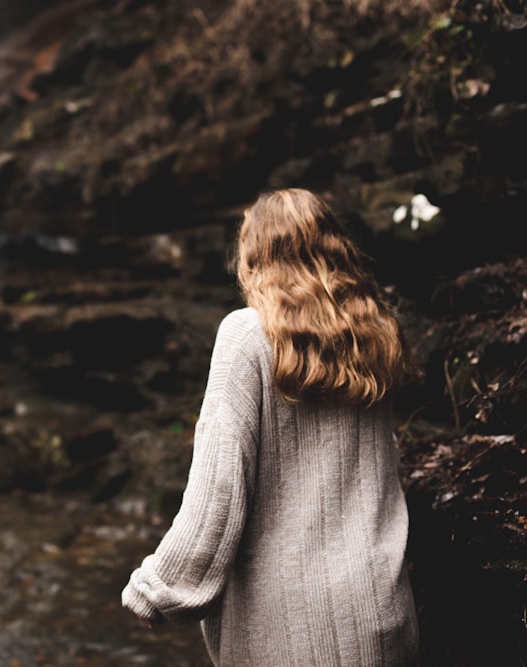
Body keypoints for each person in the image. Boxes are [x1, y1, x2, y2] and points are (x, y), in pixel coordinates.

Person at [121, 188, 420, 665]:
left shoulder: (246, 336)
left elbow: (218, 489)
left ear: (254, 255)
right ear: (334, 248)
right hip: (382, 614)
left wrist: (159, 588)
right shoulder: (375, 335)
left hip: (292, 632)